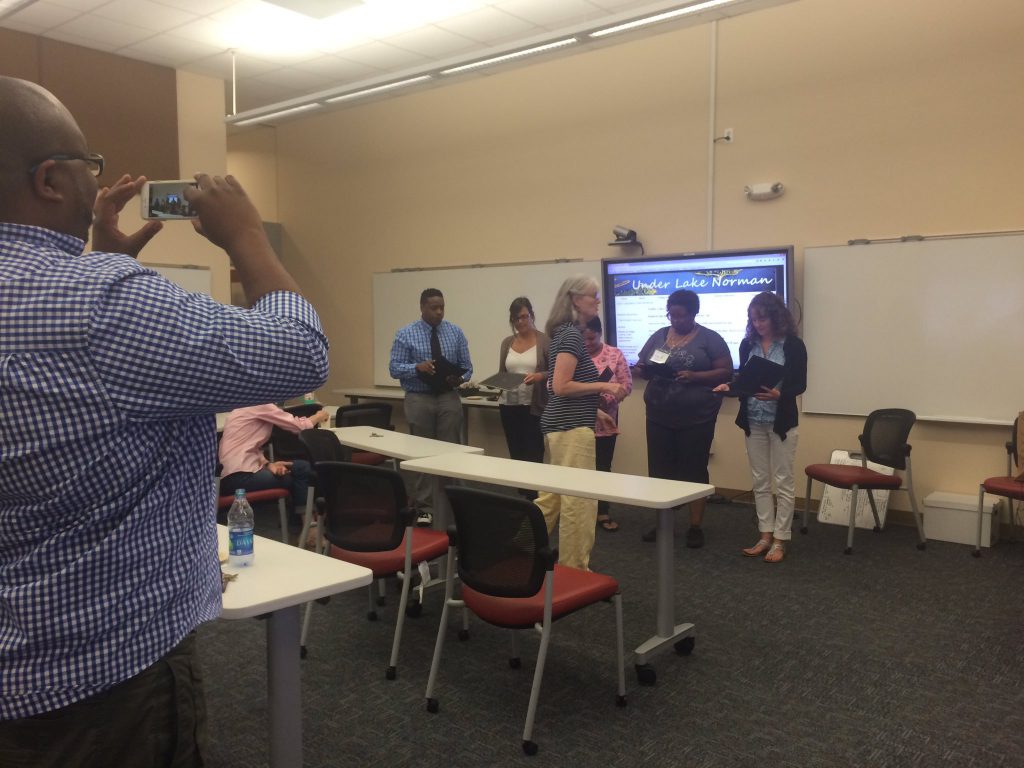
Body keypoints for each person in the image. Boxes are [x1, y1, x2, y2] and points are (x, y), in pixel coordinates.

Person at [0, 77, 329, 767]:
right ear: (51, 181)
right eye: (88, 169)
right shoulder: (102, 304)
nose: (97, 187)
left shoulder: (78, 300)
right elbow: (301, 352)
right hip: (108, 679)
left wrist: (105, 262)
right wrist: (247, 239)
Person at [535, 276, 625, 571]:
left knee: (552, 500)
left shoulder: (563, 333)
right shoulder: (571, 335)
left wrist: (594, 410)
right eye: (593, 296)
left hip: (563, 426)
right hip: (571, 431)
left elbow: (555, 387)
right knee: (579, 503)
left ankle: (513, 549)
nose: (598, 301)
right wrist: (604, 388)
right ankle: (574, 570)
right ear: (575, 300)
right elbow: (561, 386)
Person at [634, 289, 732, 548]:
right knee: (659, 470)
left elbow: (726, 371)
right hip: (658, 414)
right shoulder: (659, 335)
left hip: (696, 417)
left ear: (693, 313)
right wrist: (643, 370)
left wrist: (695, 376)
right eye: (671, 315)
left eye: (680, 316)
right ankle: (663, 523)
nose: (675, 321)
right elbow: (642, 364)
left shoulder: (710, 339)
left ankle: (695, 526)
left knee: (694, 469)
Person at [714, 292, 807, 563]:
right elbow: (746, 379)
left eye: (762, 318)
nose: (758, 324)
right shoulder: (747, 344)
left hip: (782, 421)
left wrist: (781, 395)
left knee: (784, 481)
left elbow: (800, 384)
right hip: (753, 419)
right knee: (760, 480)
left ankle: (781, 539)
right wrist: (729, 387)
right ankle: (764, 535)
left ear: (776, 317)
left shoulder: (793, 345)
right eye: (753, 319)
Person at [389, 288, 472, 526]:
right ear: (422, 307)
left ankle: (451, 502)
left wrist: (460, 378)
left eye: (442, 307)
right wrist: (417, 367)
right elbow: (394, 368)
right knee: (421, 452)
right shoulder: (406, 334)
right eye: (434, 308)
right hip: (419, 397)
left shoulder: (455, 332)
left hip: (448, 396)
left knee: (451, 450)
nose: (439, 312)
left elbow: (467, 367)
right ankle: (425, 507)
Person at [218, 403, 331, 524]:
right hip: (239, 478)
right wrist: (319, 416)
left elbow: (249, 447)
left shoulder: (241, 407)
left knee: (301, 468)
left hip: (231, 476)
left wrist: (269, 464)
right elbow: (299, 426)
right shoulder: (261, 404)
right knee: (301, 473)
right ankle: (310, 527)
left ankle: (305, 523)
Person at [582, 315, 632, 532]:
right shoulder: (572, 354)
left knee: (602, 467)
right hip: (578, 420)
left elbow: (626, 384)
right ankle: (581, 512)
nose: (588, 343)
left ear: (599, 334)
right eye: (584, 339)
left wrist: (608, 398)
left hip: (607, 420)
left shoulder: (614, 354)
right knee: (579, 468)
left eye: (592, 338)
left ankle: (602, 511)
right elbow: (557, 384)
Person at [497, 297, 549, 466]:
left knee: (534, 455)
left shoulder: (544, 341)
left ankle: (533, 493)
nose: (521, 321)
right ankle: (521, 492)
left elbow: (556, 372)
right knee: (516, 454)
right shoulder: (507, 342)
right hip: (509, 406)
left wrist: (539, 376)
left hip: (534, 407)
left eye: (524, 316)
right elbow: (502, 372)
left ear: (532, 315)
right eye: (516, 318)